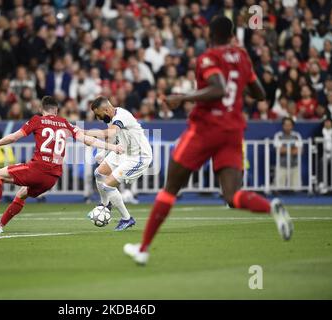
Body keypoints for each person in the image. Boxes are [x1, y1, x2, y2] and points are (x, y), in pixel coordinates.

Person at [123, 17, 294, 265]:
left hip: (206, 128)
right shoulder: (243, 57)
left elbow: (219, 88)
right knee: (232, 196)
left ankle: (144, 248)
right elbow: (260, 93)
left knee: (170, 188)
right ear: (232, 34)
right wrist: (239, 81)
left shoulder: (208, 58)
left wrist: (183, 97)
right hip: (233, 130)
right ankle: (271, 207)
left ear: (210, 35)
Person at [0, 96, 124, 233]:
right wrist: (113, 147)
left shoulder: (37, 120)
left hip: (37, 169)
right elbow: (88, 140)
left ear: (41, 109)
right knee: (22, 194)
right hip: (52, 178)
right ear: (56, 110)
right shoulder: (64, 123)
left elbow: (14, 137)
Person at [84, 96, 153, 231]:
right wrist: (103, 153)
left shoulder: (122, 116)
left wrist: (84, 133)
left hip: (139, 157)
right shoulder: (111, 118)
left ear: (106, 109)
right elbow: (111, 137)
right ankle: (105, 205)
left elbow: (109, 132)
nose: (99, 118)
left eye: (99, 115)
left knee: (107, 186)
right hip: (124, 152)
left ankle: (127, 219)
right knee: (99, 173)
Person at [273, 117, 303, 188]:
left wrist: (285, 149)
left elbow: (299, 151)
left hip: (294, 166)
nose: (287, 127)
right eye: (285, 125)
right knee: (279, 189)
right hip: (281, 166)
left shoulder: (297, 136)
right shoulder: (278, 136)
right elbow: (279, 150)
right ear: (283, 126)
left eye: (289, 125)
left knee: (297, 190)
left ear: (292, 126)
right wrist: (292, 148)